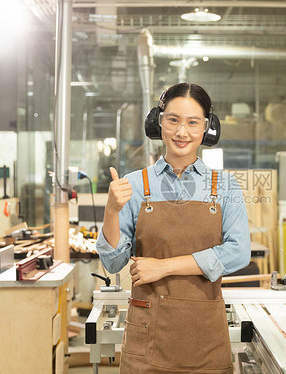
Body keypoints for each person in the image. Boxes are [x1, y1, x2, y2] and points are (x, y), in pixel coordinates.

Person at [96, 82, 251, 373]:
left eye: (193, 122)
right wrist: (111, 211)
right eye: (173, 120)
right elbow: (113, 261)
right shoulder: (135, 184)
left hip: (205, 338)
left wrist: (164, 267)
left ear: (208, 128)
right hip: (147, 338)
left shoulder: (225, 185)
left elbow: (239, 252)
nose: (182, 132)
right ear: (158, 122)